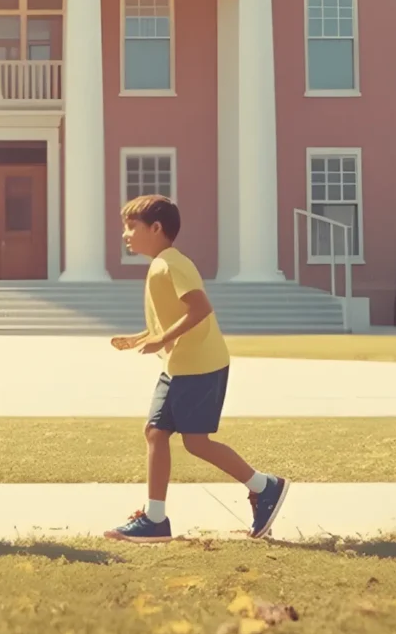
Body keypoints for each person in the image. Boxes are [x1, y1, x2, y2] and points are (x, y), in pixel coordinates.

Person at [105, 194, 288, 543]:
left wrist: (162, 340)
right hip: (179, 365)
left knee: (196, 442)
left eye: (131, 227)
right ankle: (155, 519)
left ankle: (265, 486)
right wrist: (143, 336)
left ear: (155, 228)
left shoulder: (172, 264)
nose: (125, 234)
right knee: (156, 432)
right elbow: (172, 316)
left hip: (199, 364)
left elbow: (200, 308)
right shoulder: (161, 264)